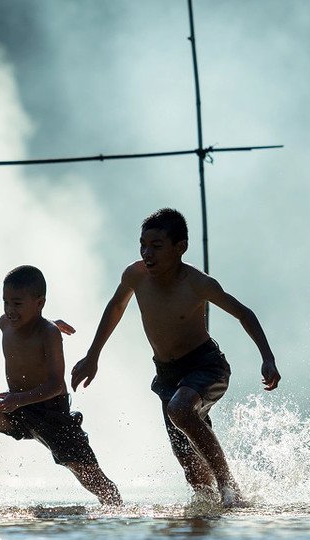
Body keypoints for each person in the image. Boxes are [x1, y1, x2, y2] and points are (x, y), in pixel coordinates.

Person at [71, 208, 281, 507]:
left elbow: (243, 314)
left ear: (180, 247)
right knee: (194, 475)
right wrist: (93, 356)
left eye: (156, 246)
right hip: (167, 374)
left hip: (205, 365)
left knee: (181, 409)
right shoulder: (136, 275)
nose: (147, 253)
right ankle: (211, 514)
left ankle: (229, 485)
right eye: (143, 245)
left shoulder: (197, 282)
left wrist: (267, 357)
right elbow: (116, 307)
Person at [0, 265, 122, 505]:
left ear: (39, 304)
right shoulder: (4, 324)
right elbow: (26, 321)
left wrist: (18, 398)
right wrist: (16, 400)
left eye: (17, 304)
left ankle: (116, 507)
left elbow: (57, 385)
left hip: (51, 412)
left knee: (90, 477)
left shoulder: (49, 334)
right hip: (18, 408)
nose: (10, 311)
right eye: (5, 302)